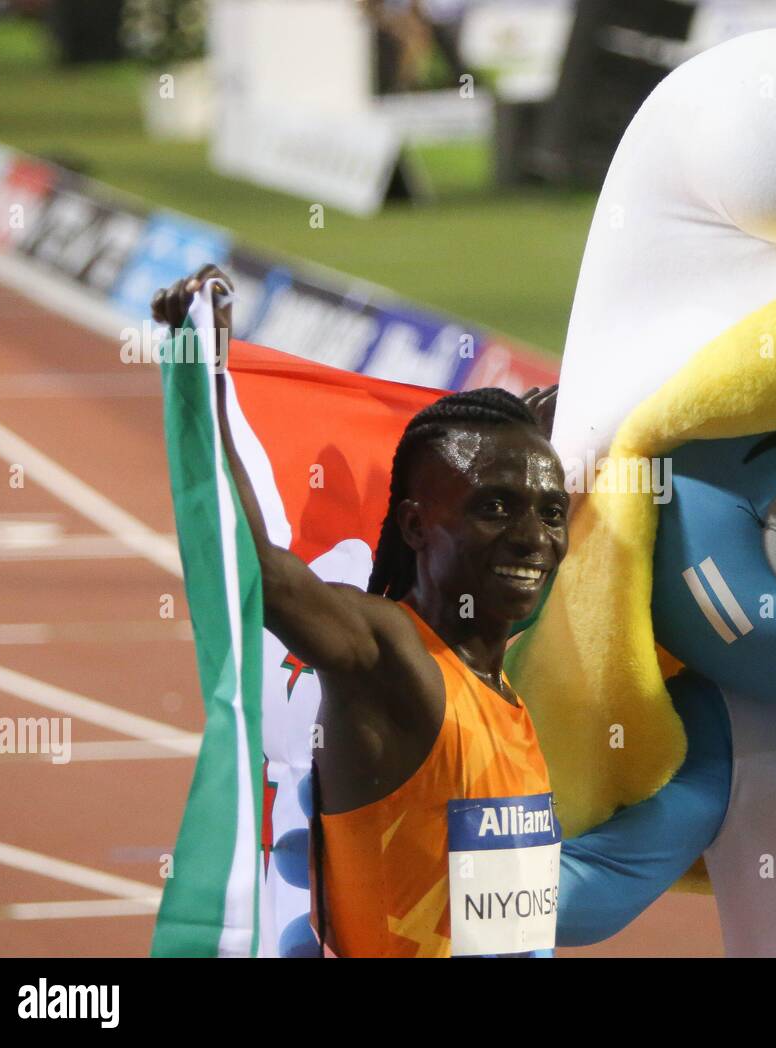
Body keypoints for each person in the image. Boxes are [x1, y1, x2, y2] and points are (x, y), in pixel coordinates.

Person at [151, 264, 574, 957]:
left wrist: (521, 441)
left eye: (551, 512)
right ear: (413, 526)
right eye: (495, 507)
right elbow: (268, 575)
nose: (535, 538)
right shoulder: (392, 661)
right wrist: (205, 383)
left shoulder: (497, 683)